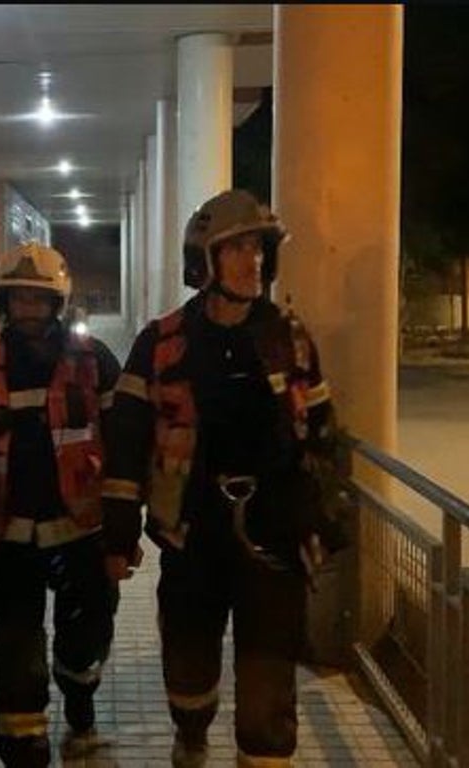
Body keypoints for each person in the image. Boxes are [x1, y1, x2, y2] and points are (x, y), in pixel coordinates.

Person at [100, 189, 348, 767]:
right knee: (189, 671)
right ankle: (190, 735)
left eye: (258, 249)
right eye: (235, 249)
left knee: (266, 695)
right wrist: (118, 534)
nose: (252, 261)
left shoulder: (288, 336)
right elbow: (126, 442)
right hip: (194, 538)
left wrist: (321, 511)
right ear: (203, 261)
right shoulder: (160, 344)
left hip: (273, 540)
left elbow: (323, 429)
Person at [0, 241, 122, 766]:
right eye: (18, 299)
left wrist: (121, 528)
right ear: (2, 303)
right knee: (15, 659)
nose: (28, 309)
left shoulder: (94, 364)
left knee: (84, 642)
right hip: (9, 540)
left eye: (38, 300)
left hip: (82, 536)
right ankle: (26, 750)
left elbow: (123, 444)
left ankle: (81, 702)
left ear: (57, 304)